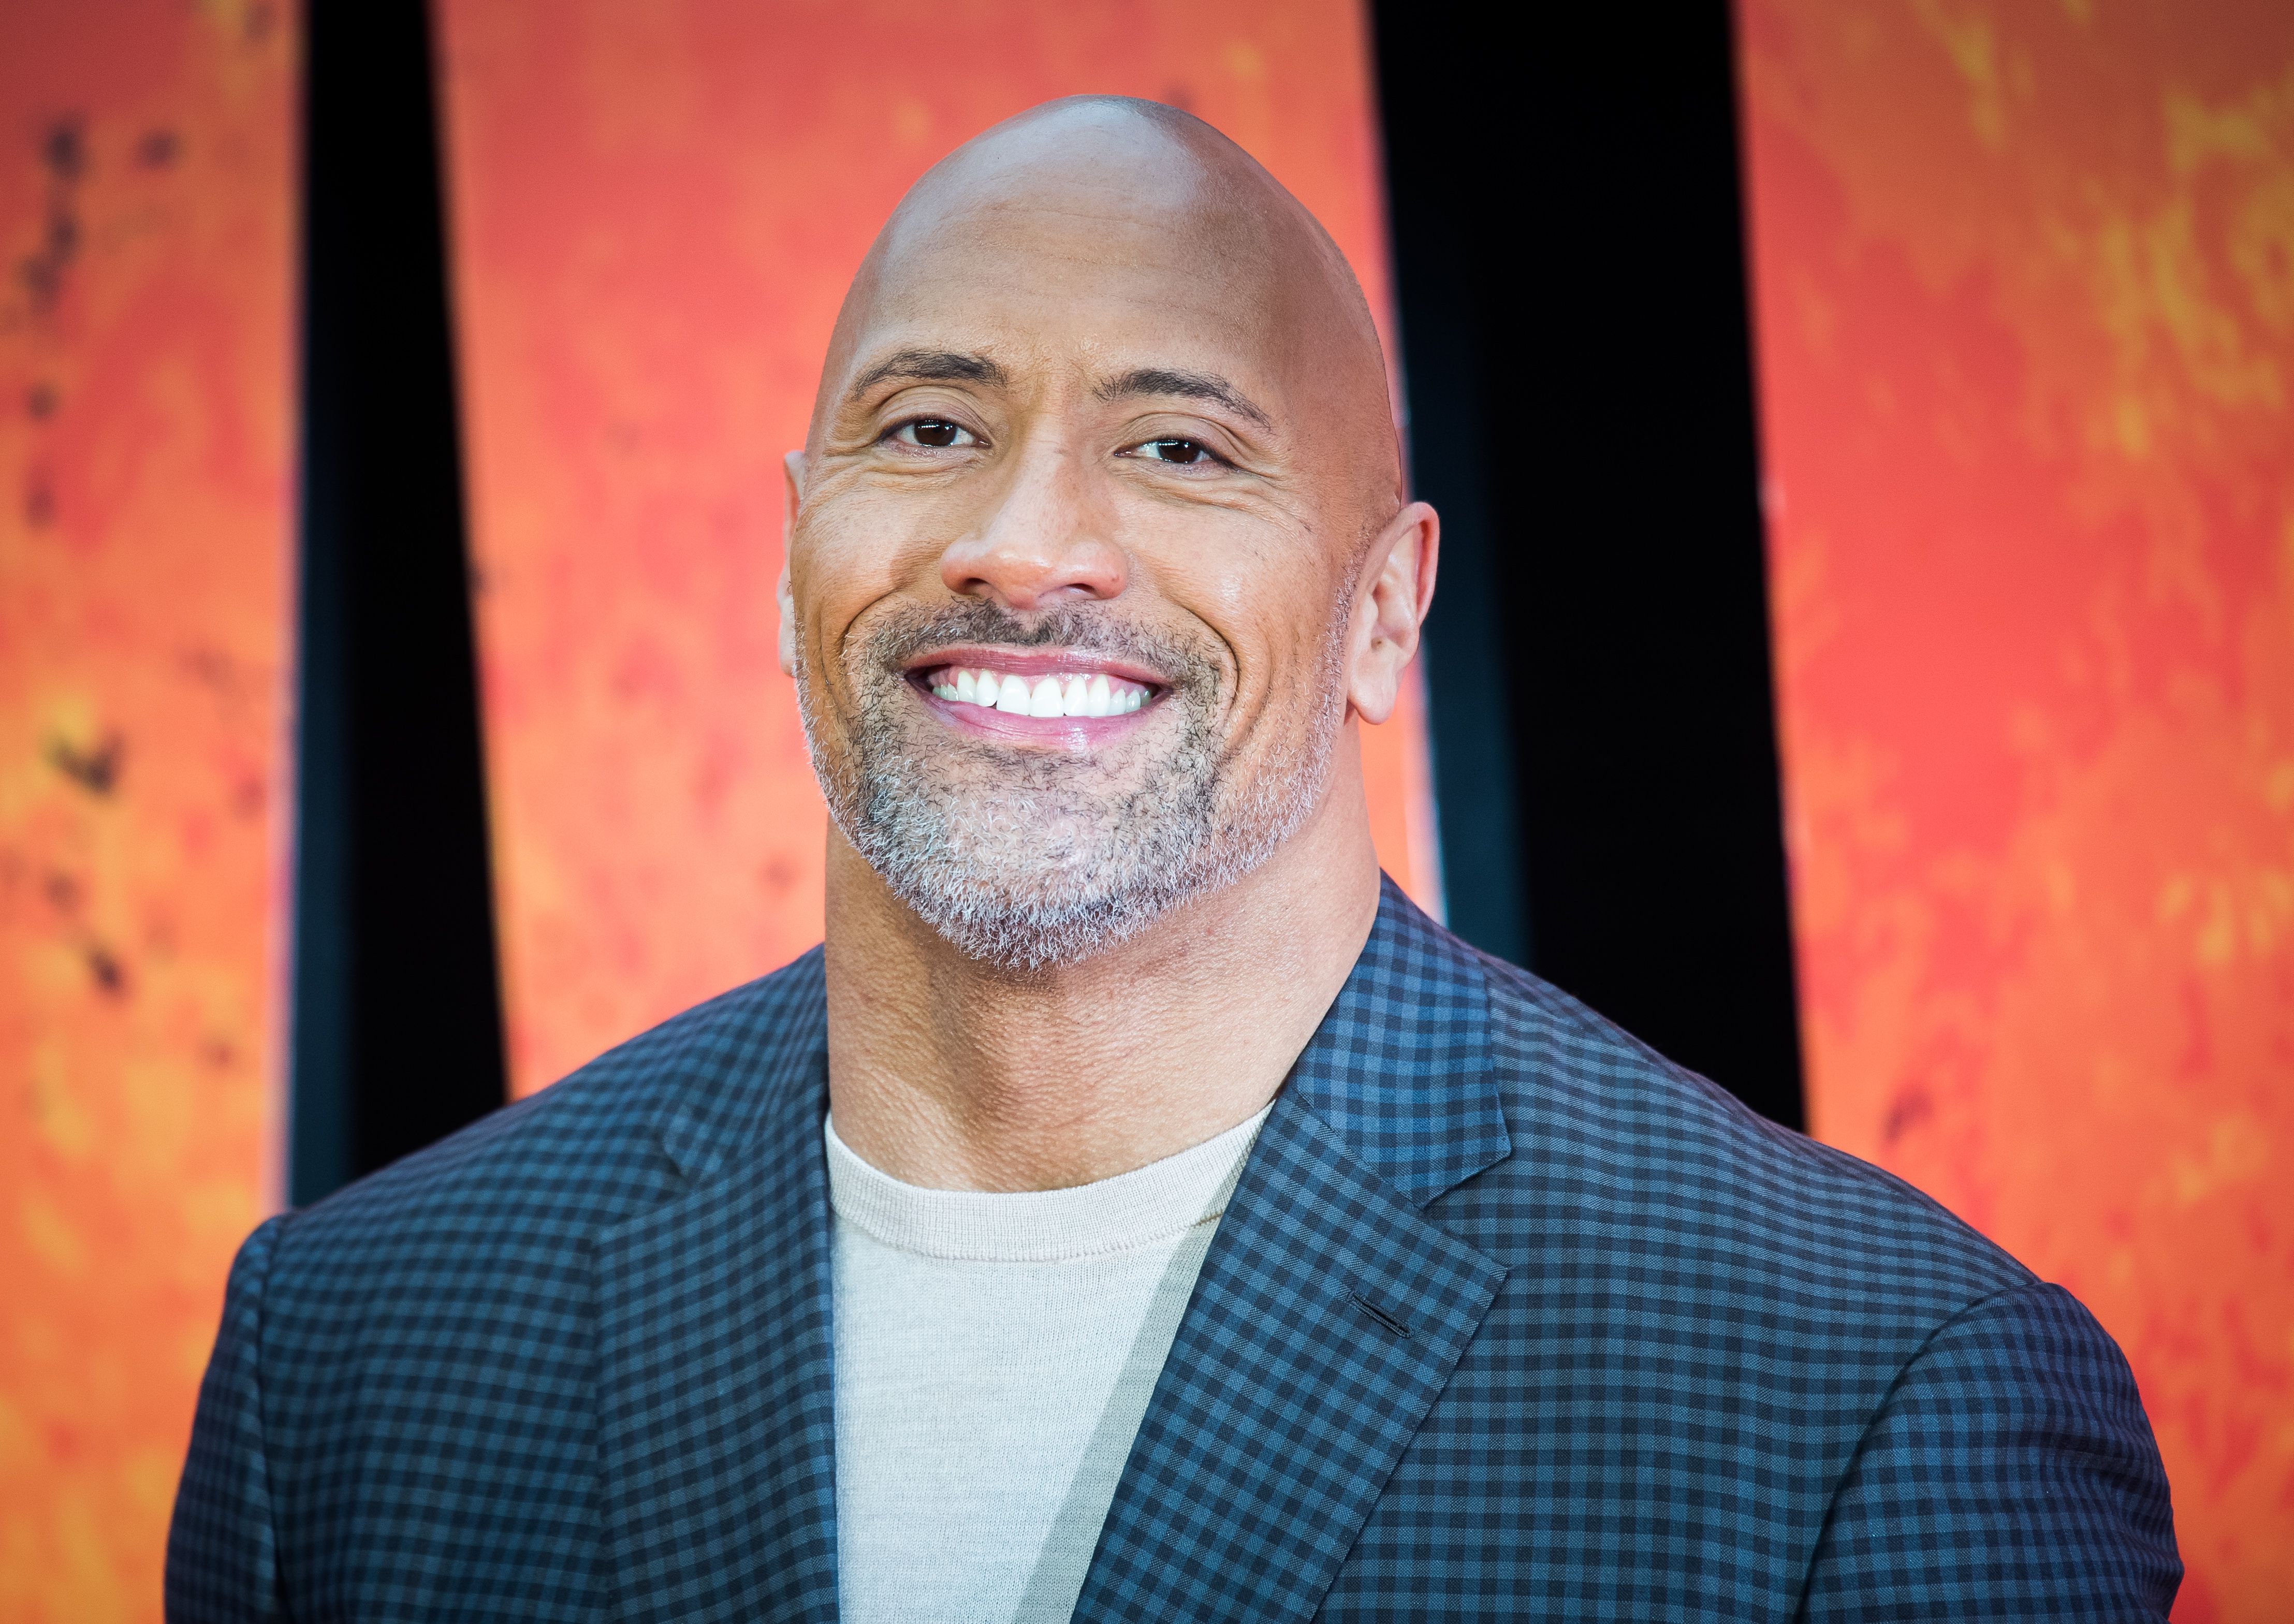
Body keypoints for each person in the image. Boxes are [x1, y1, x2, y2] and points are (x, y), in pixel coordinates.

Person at [167, 97, 2179, 1621]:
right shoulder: (345, 1348)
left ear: (1389, 611)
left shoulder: (1878, 1388)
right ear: (792, 561)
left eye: (1181, 446)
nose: (1026, 543)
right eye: (931, 427)